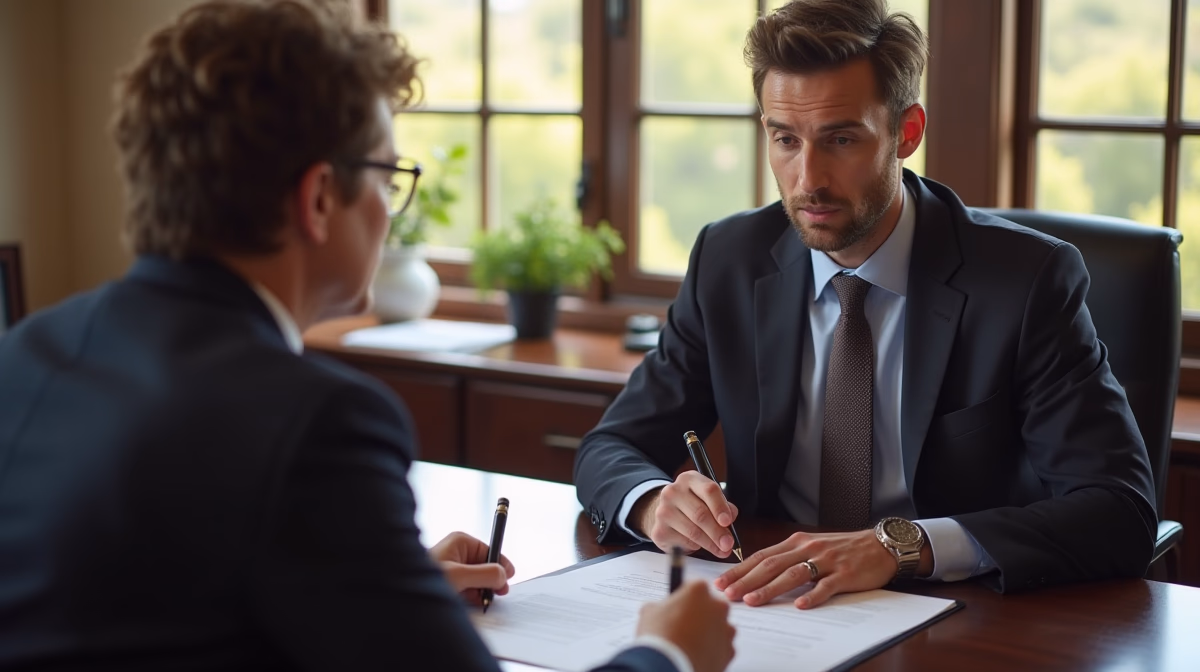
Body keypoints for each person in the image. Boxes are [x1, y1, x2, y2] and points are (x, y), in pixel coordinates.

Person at [0, 2, 735, 671]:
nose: (391, 212)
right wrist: (667, 653)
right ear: (320, 199)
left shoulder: (24, 357)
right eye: (389, 176)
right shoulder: (313, 423)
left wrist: (380, 594)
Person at [575, 0, 1157, 611]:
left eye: (841, 139)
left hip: (955, 616)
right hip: (775, 607)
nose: (807, 180)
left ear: (906, 132)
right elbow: (610, 447)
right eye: (785, 140)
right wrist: (650, 501)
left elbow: (1119, 510)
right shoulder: (729, 259)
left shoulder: (1027, 281)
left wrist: (899, 545)